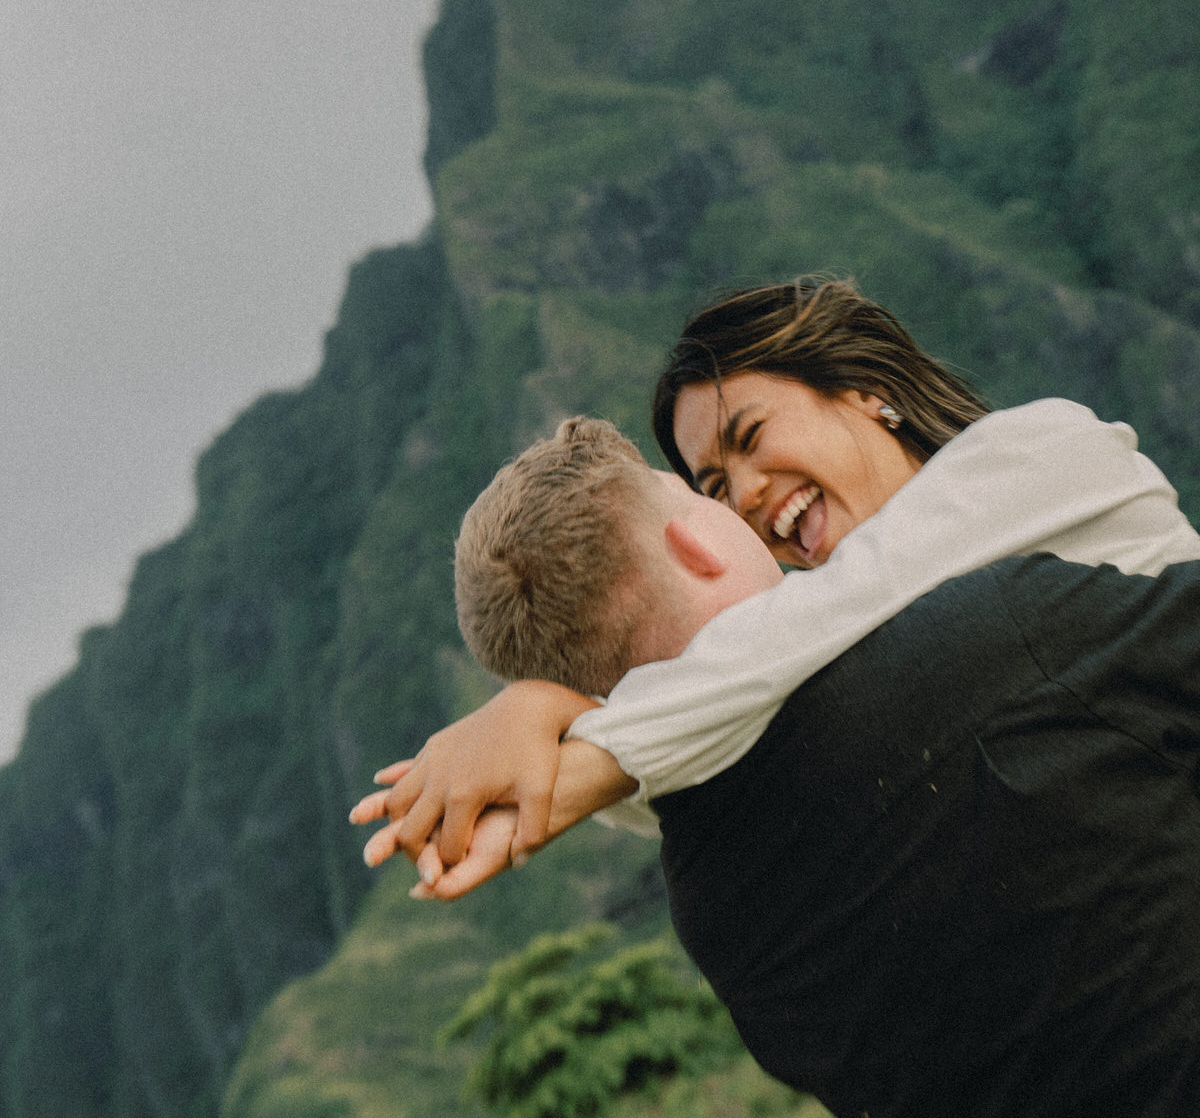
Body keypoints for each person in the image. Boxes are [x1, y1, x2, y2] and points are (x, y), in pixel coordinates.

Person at [356, 416, 1200, 1116]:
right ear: (696, 543)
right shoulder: (996, 631)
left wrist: (561, 721)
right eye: (706, 492)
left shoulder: (714, 912)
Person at [353, 279, 1200, 866]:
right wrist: (548, 713)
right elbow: (726, 758)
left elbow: (827, 617)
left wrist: (570, 743)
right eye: (715, 485)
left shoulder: (1044, 451)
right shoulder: (800, 664)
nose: (748, 495)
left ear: (865, 389)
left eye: (750, 437)